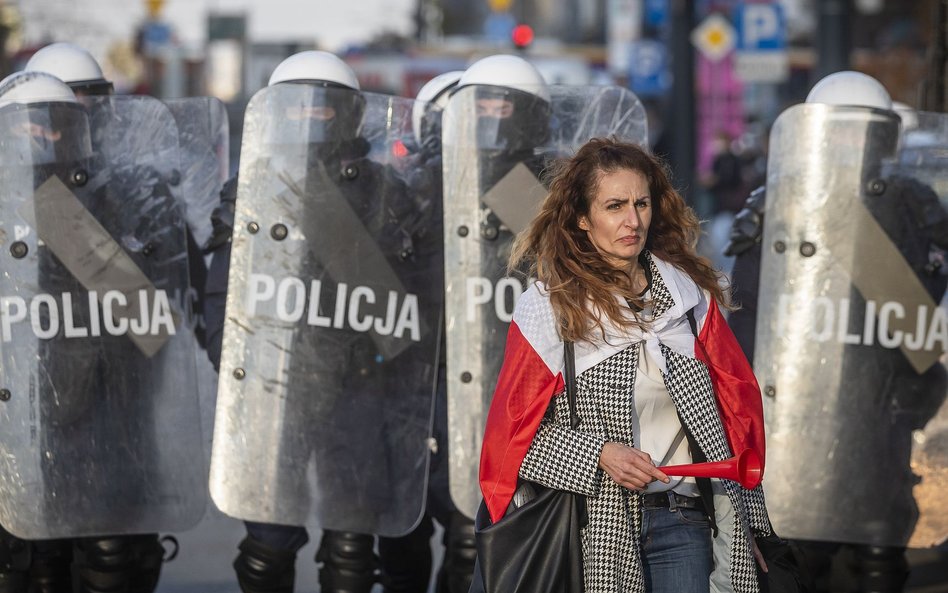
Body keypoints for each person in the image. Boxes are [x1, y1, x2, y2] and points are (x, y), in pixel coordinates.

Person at [479, 138, 773, 593]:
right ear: (582, 217)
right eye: (614, 206)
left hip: (686, 521)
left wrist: (750, 523)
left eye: (641, 203)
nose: (632, 221)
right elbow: (510, 439)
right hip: (595, 529)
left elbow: (736, 414)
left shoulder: (691, 298)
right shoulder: (549, 306)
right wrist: (599, 455)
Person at [205, 50, 438, 593]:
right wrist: (234, 360)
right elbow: (222, 290)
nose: (311, 117)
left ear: (351, 113)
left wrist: (386, 372)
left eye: (324, 108)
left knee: (352, 543)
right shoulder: (256, 187)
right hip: (274, 387)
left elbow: (416, 304)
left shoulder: (387, 194)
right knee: (266, 544)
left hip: (361, 392)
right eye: (299, 107)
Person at [726, 71, 948, 592]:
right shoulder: (779, 204)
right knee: (795, 557)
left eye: (862, 130)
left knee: (880, 550)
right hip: (795, 414)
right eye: (840, 130)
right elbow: (749, 314)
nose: (851, 142)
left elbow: (922, 319)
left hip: (879, 410)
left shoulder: (910, 207)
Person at [0, 70, 201, 593]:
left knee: (107, 563)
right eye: (28, 127)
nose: (42, 138)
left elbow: (147, 323)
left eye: (54, 126)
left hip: (99, 424)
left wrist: (62, 211)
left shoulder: (101, 198)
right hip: (13, 429)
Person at [374, 70, 478, 593]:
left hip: (483, 373)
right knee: (401, 526)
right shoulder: (399, 189)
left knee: (471, 532)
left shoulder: (519, 187)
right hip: (405, 373)